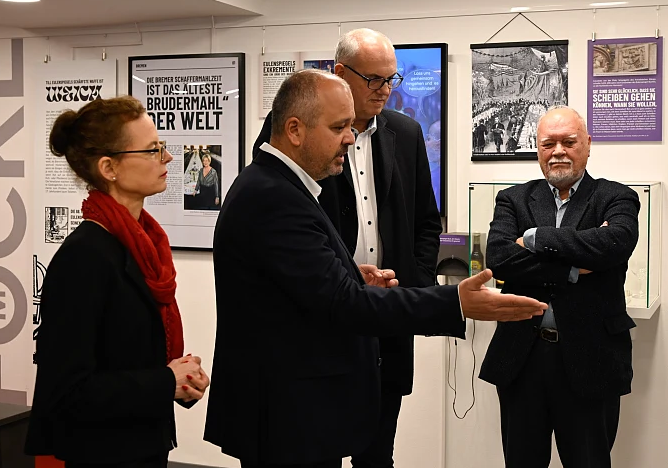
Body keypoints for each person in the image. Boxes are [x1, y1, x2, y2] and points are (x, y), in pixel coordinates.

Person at [205, 69, 548, 468]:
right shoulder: (273, 196)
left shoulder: (281, 186)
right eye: (339, 128)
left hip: (296, 406)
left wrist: (353, 273)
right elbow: (342, 304)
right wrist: (454, 302)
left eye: (351, 127)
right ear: (294, 130)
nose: (350, 140)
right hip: (284, 413)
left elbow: (301, 283)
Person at [251, 28, 442, 468]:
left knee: (377, 454)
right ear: (340, 73)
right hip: (325, 316)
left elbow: (425, 223)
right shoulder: (295, 134)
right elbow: (283, 210)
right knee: (321, 449)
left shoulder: (405, 132)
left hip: (387, 317)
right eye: (373, 79)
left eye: (391, 80)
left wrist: (413, 286)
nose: (384, 91)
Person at [25, 96, 210, 468]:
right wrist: (164, 381)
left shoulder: (144, 244)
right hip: (103, 454)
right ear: (109, 167)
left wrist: (179, 380)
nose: (168, 158)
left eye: (163, 147)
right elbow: (67, 391)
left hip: (144, 443)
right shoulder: (84, 257)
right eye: (153, 150)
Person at [479, 106, 640, 468]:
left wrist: (533, 238)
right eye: (548, 143)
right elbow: (500, 257)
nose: (558, 152)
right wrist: (571, 266)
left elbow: (613, 245)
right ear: (537, 149)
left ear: (587, 145)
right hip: (523, 357)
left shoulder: (616, 197)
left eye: (569, 142)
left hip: (591, 356)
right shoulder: (513, 198)